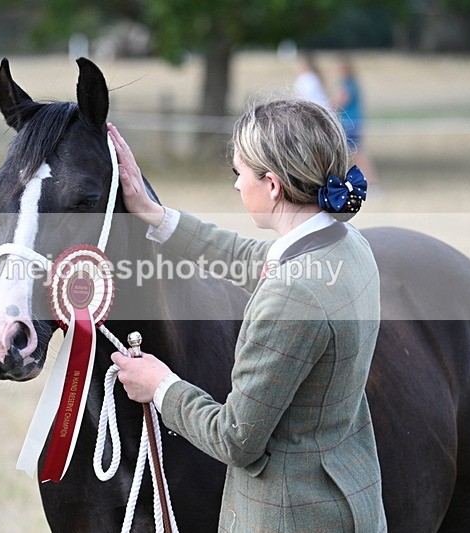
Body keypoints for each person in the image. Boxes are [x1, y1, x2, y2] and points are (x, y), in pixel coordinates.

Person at [107, 98, 386, 532]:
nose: (237, 185)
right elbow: (253, 259)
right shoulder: (347, 244)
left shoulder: (292, 295)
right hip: (349, 501)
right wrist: (156, 216)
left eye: (239, 172)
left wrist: (160, 386)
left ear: (272, 184)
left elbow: (235, 438)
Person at [332, 57, 378, 185]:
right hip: (353, 122)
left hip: (349, 124)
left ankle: (369, 181)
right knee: (354, 154)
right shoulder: (353, 84)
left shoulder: (347, 85)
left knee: (356, 154)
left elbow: (339, 102)